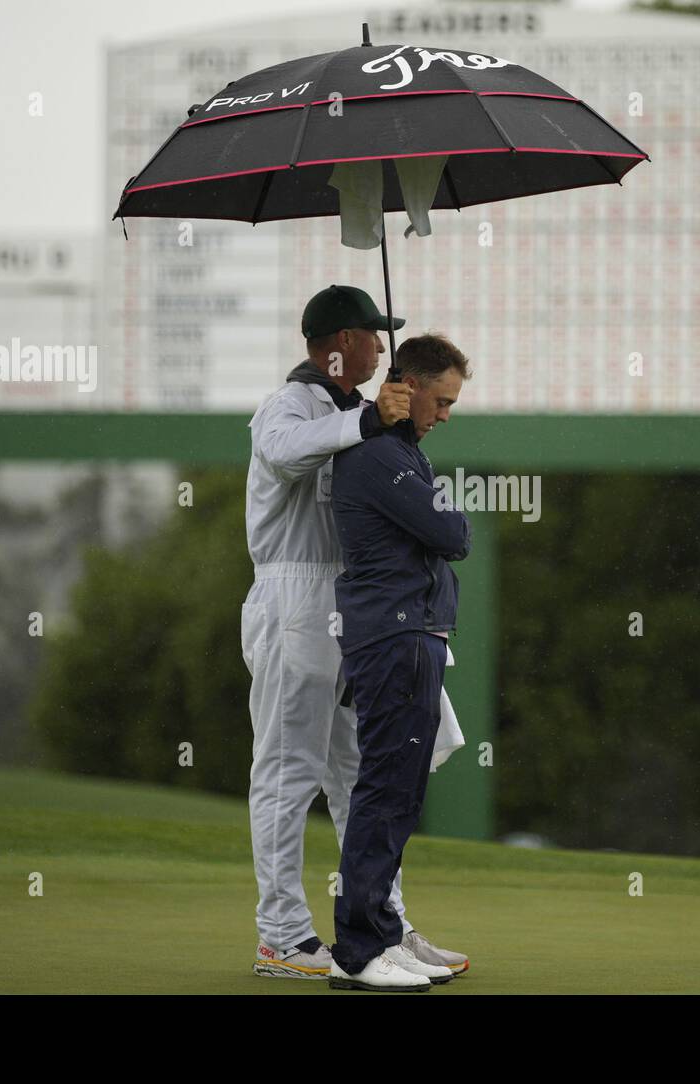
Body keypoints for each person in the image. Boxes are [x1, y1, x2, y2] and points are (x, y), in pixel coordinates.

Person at [241, 286, 468, 980]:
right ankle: (281, 933)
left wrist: (379, 423)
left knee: (361, 776)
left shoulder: (356, 413)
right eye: (374, 334)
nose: (383, 347)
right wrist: (370, 420)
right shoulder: (288, 406)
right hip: (292, 597)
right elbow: (283, 453)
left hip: (354, 606)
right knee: (288, 771)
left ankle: (382, 926)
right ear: (340, 344)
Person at [327, 334, 472, 992]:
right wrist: (444, 510)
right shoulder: (379, 457)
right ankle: (360, 949)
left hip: (410, 636)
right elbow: (453, 535)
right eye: (439, 400)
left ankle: (382, 935)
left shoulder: (401, 454)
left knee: (397, 795)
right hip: (393, 637)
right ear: (406, 385)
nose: (444, 414)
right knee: (384, 793)